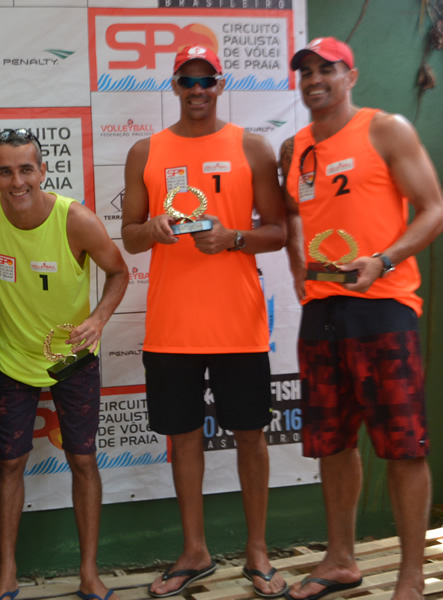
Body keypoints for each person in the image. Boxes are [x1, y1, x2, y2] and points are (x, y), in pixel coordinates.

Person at [279, 38, 443, 600]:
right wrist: (300, 270)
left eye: (326, 69)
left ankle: (411, 576)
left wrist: (383, 260)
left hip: (384, 309)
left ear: (350, 76)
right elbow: (294, 214)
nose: (314, 79)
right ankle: (340, 561)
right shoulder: (296, 148)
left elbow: (434, 210)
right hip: (321, 312)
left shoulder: (386, 129)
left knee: (404, 446)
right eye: (305, 71)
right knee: (331, 443)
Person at [121, 46, 287, 599]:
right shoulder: (146, 151)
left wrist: (234, 238)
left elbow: (278, 232)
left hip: (239, 325)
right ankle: (194, 551)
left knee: (251, 437)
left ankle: (258, 552)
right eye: (187, 81)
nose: (197, 90)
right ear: (174, 85)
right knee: (184, 439)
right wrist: (154, 229)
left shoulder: (252, 147)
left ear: (221, 84)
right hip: (173, 328)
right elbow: (130, 236)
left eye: (206, 80)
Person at [0, 129, 128, 600]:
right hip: (12, 359)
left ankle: (89, 572)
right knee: (10, 464)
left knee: (83, 460)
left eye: (26, 169)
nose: (17, 181)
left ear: (43, 170)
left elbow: (119, 272)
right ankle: (7, 572)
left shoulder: (76, 220)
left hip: (73, 360)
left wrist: (98, 319)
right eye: (6, 171)